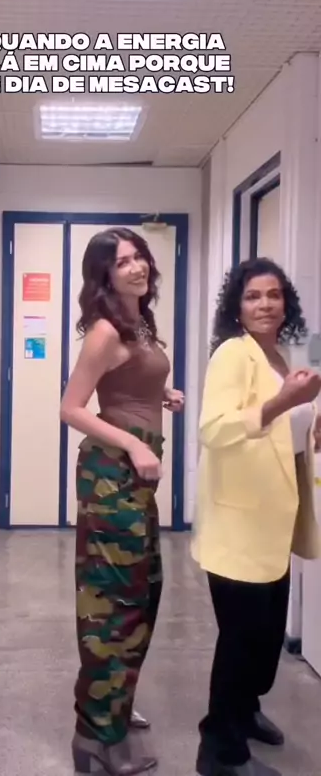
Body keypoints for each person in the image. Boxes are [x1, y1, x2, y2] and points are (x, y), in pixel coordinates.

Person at [60, 227, 184, 776]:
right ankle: (94, 738)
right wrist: (134, 443)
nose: (137, 267)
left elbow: (128, 385)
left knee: (142, 593)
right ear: (104, 276)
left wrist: (162, 395)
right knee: (113, 604)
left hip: (133, 480)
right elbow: (71, 407)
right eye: (122, 262)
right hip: (111, 476)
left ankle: (114, 705)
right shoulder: (106, 330)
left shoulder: (140, 323)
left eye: (140, 257)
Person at [192, 257, 321, 776]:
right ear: (237, 307)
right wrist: (282, 403)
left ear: (285, 302)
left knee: (265, 640)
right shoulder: (233, 354)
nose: (264, 304)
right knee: (241, 641)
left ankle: (244, 712)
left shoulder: (279, 356)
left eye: (273, 294)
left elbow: (287, 427)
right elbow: (214, 429)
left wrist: (309, 417)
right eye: (252, 296)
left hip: (273, 521)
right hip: (238, 525)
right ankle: (219, 750)